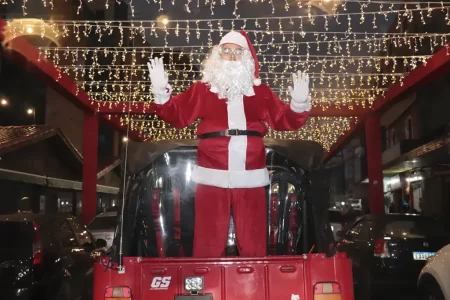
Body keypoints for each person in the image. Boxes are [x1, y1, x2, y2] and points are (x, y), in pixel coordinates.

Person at [147, 30, 311, 257]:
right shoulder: (202, 89)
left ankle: (255, 286)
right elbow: (177, 116)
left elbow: (283, 119)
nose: (232, 56)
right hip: (212, 170)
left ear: (246, 58)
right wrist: (161, 94)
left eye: (237, 51)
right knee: (208, 238)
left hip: (251, 171)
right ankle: (206, 283)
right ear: (217, 55)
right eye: (227, 51)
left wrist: (298, 104)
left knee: (253, 237)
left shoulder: (259, 91)